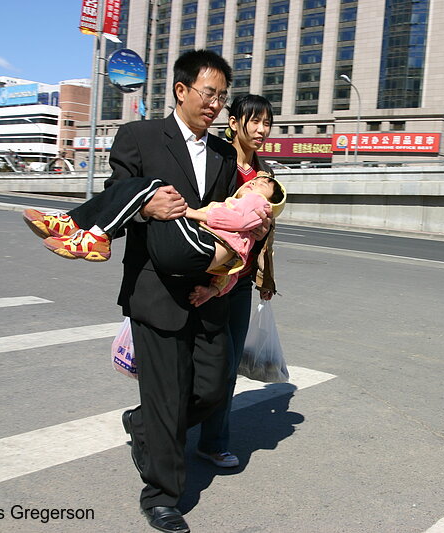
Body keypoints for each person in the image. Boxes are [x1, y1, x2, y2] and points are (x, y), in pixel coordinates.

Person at [52, 49, 268, 533]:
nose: (215, 104)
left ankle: (144, 424)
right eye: (208, 93)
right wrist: (147, 209)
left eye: (221, 97)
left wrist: (224, 276)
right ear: (182, 90)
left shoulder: (221, 155)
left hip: (205, 291)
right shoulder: (140, 137)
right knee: (167, 394)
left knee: (213, 387)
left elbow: (227, 223)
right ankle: (163, 495)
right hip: (155, 290)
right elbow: (118, 195)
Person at [22, 173, 286, 306]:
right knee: (146, 188)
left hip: (202, 244)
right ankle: (78, 225)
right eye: (254, 181)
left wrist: (192, 212)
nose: (253, 184)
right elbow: (229, 273)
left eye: (262, 184)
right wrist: (212, 291)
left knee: (154, 187)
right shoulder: (246, 230)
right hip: (205, 252)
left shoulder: (255, 204)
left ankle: (88, 230)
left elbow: (234, 220)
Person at [196, 94, 278, 468]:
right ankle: (153, 418)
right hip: (210, 276)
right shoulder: (216, 162)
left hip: (241, 282)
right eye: (254, 121)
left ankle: (213, 441)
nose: (261, 130)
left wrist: (266, 276)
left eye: (267, 123)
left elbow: (265, 234)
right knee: (206, 365)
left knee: (227, 368)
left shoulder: (265, 175)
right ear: (233, 123)